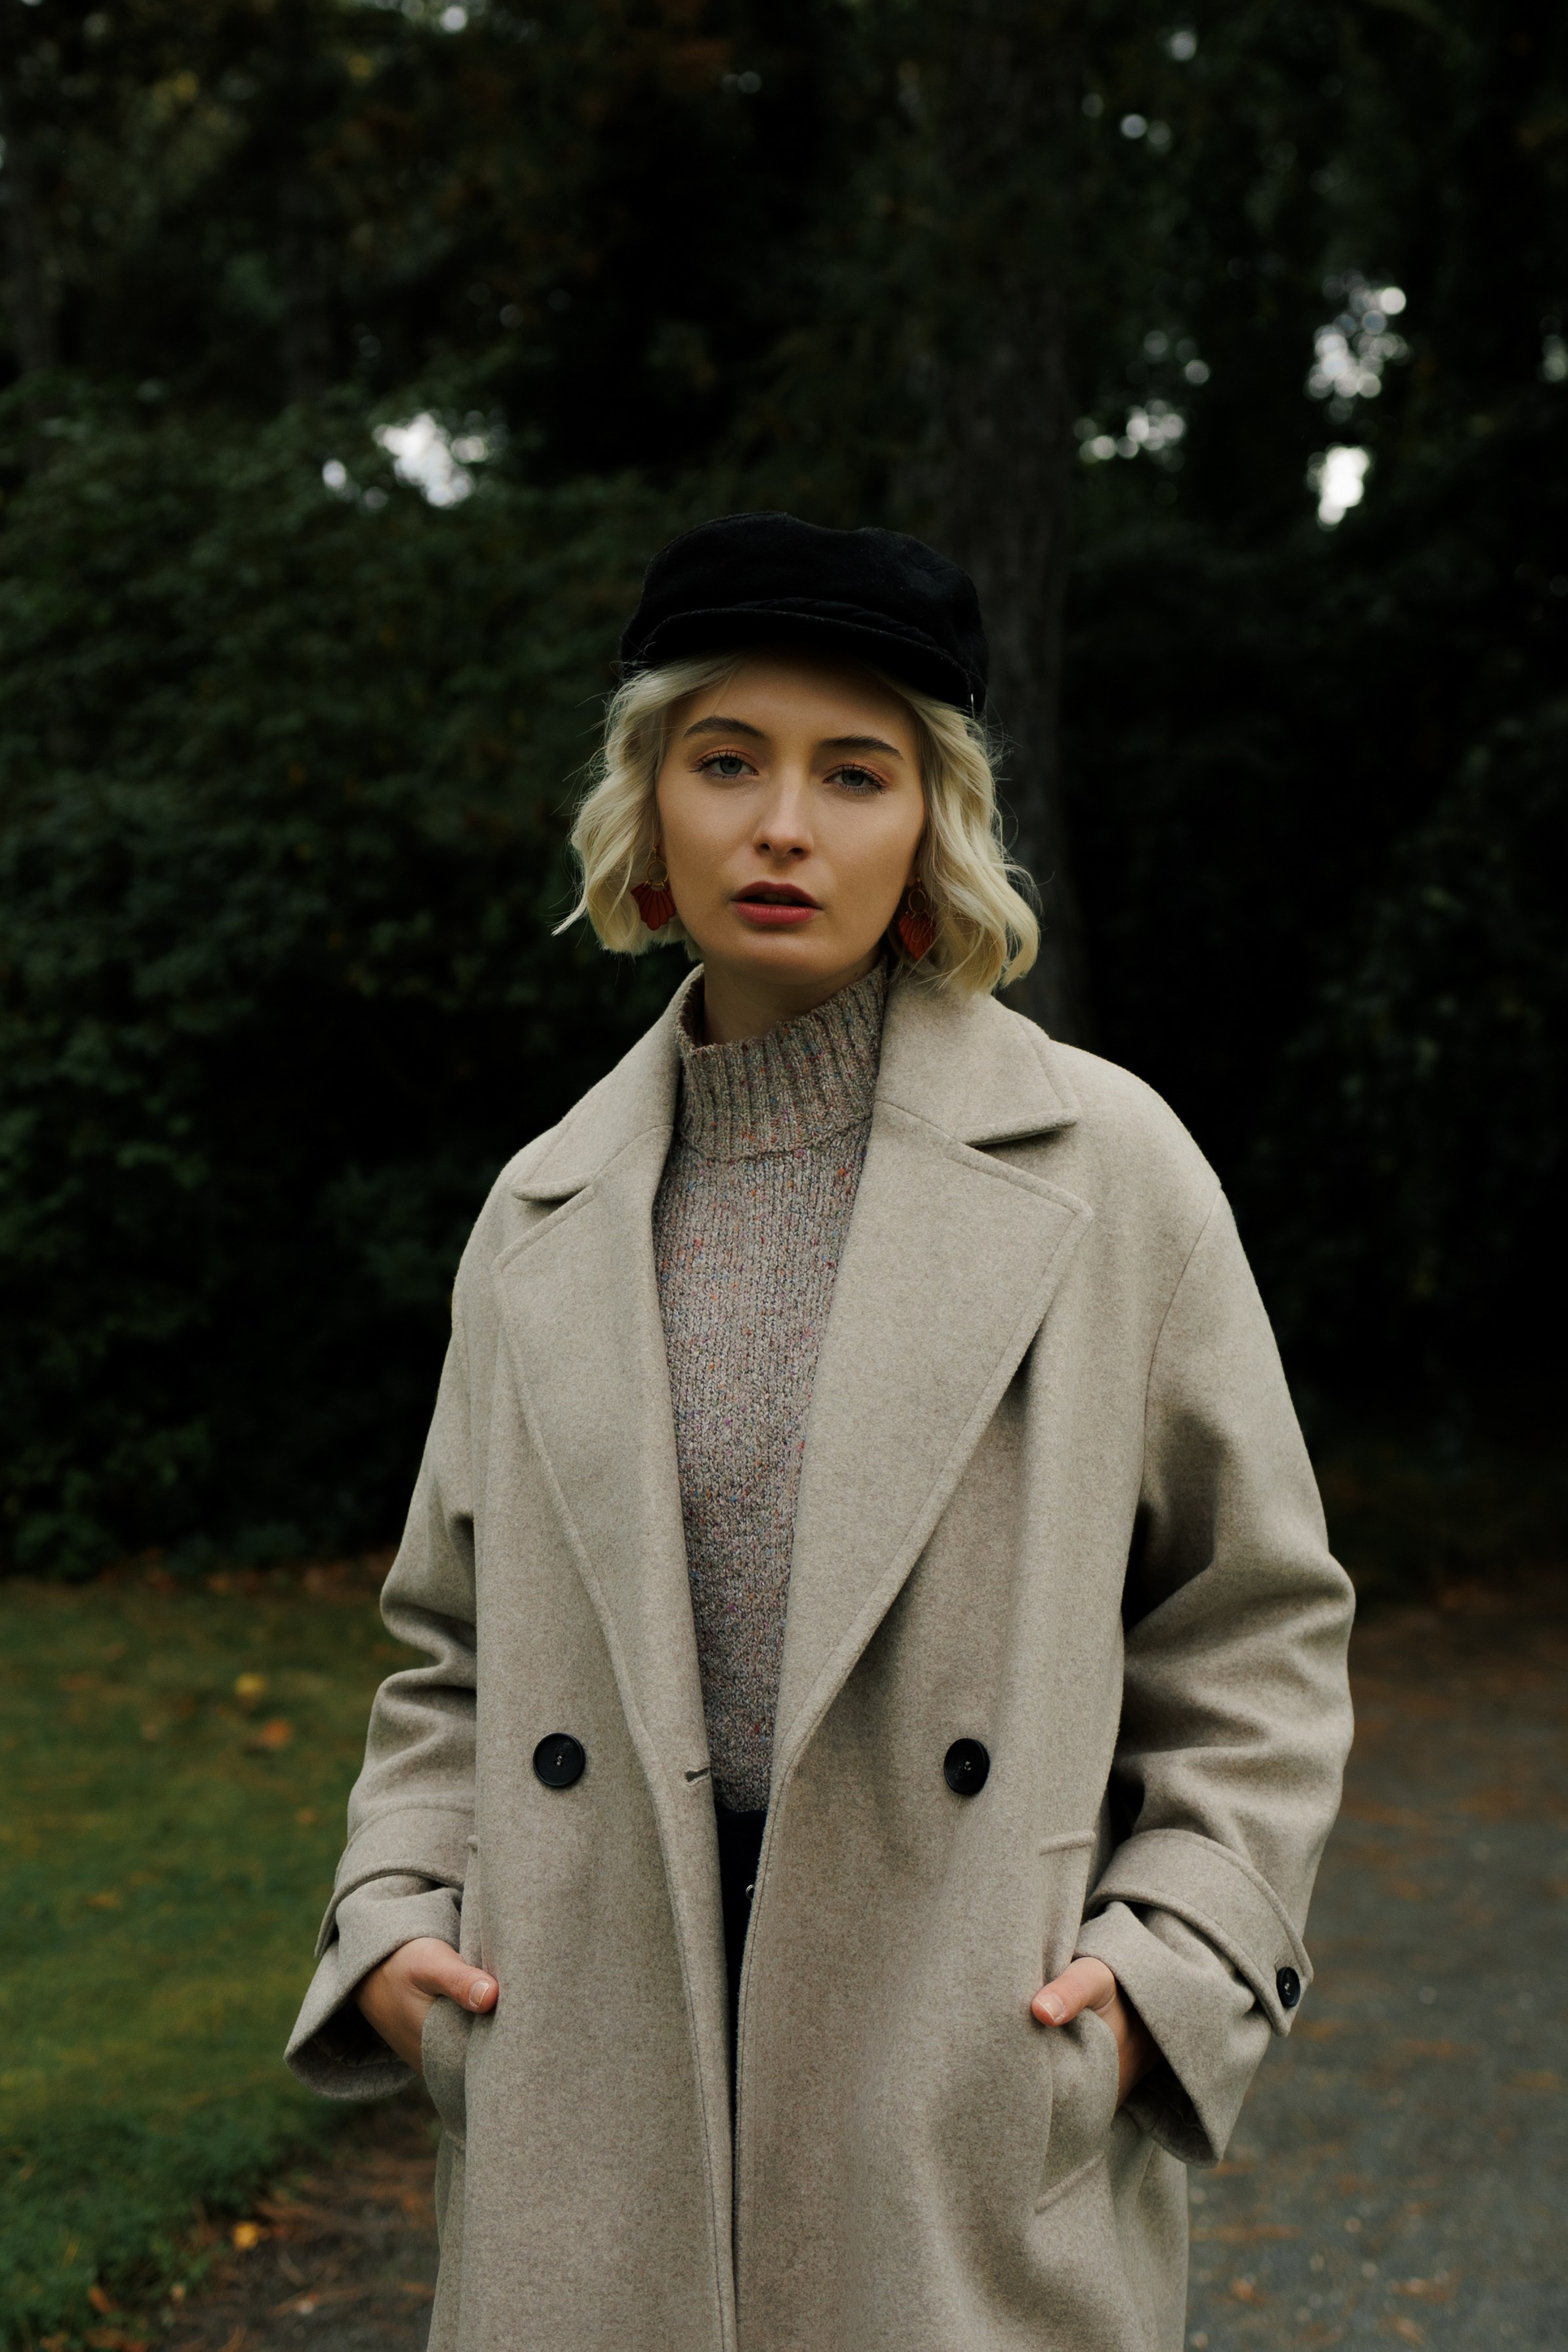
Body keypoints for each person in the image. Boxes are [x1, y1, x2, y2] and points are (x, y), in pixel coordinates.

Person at [286, 512, 1355, 2352]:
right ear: (652, 803)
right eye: (727, 759)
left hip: (953, 2093)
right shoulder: (539, 1208)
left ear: (927, 821)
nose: (783, 824)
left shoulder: (1113, 1177)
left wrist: (1160, 1974)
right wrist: (391, 1924)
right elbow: (446, 1654)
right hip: (590, 2093)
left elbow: (1252, 1632)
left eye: (851, 771)